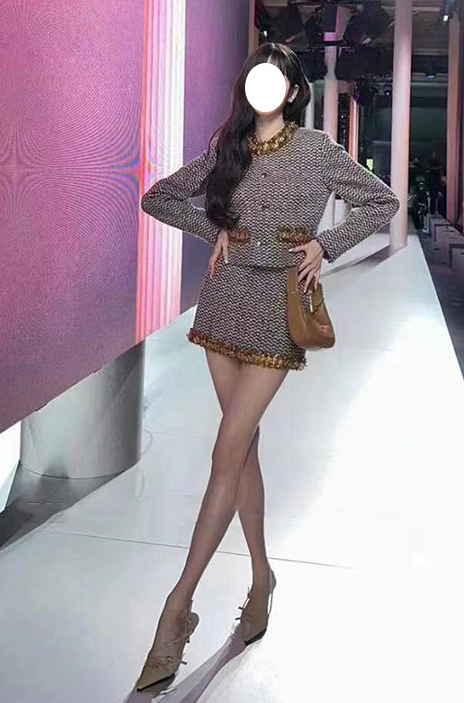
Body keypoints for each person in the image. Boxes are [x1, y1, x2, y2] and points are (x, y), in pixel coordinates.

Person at [136, 41, 399, 690]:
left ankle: (177, 607)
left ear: (293, 90)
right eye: (255, 77)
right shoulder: (228, 146)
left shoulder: (317, 151)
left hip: (278, 310)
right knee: (243, 451)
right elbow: (158, 198)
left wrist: (325, 243)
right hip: (224, 302)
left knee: (226, 452)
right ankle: (262, 581)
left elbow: (382, 203)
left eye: (274, 79)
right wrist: (215, 231)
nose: (263, 89)